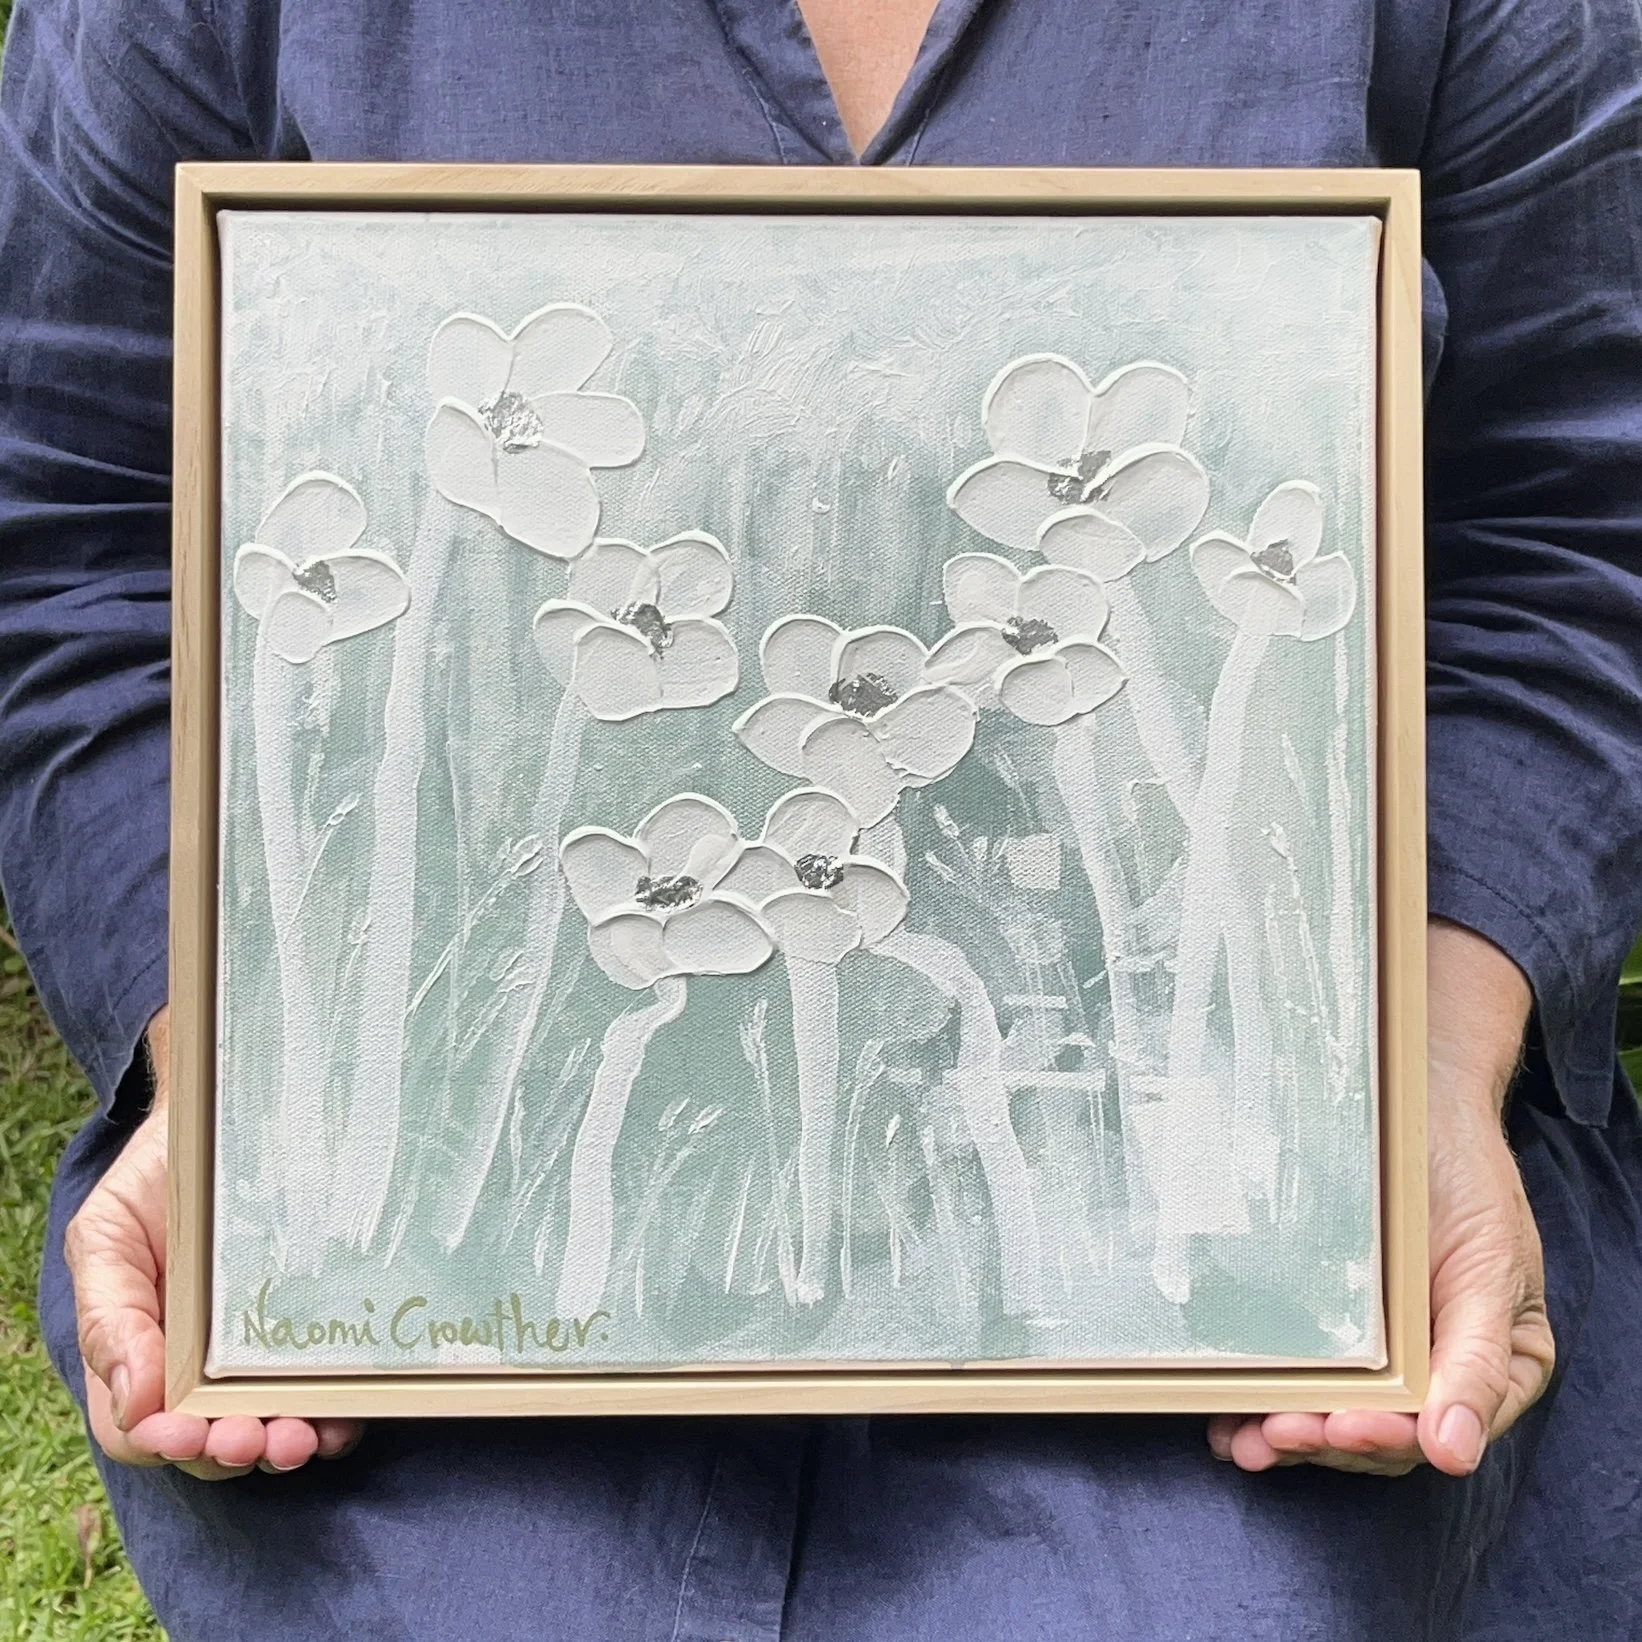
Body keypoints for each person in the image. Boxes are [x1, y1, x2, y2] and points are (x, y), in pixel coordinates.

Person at [2, 0, 1640, 1635]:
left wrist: (1422, 1067)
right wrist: (240, 1093)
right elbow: (77, 530)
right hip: (439, 1304)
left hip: (1225, 1278)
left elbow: (1563, 535)